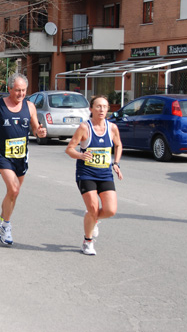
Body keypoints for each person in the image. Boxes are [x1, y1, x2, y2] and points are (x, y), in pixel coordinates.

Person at [0, 73, 46, 246]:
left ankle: (1, 221)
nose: (21, 94)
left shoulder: (30, 106)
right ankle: (6, 227)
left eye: (24, 90)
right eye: (17, 90)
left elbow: (35, 127)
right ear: (9, 89)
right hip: (3, 154)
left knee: (13, 193)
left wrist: (40, 132)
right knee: (14, 189)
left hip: (21, 155)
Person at [65, 95, 123, 255]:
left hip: (105, 174)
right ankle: (88, 241)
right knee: (93, 207)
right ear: (91, 109)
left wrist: (116, 163)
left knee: (111, 210)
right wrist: (81, 155)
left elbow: (118, 145)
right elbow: (69, 149)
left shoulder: (112, 128)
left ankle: (93, 218)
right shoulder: (85, 128)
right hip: (86, 173)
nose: (102, 110)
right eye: (98, 106)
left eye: (105, 107)